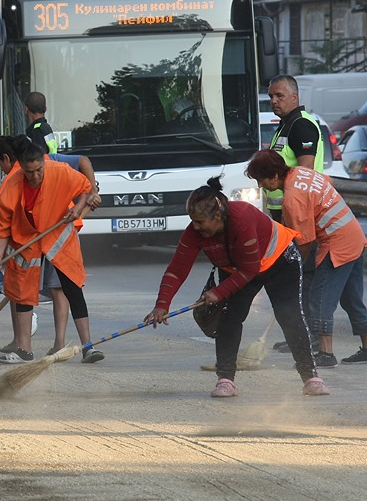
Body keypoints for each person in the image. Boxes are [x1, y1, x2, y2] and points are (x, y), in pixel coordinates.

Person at [144, 176, 329, 397]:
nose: (195, 227)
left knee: (289, 316)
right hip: (237, 269)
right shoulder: (194, 232)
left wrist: (219, 292)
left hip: (279, 261)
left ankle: (311, 377)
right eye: (193, 221)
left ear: (218, 216)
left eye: (200, 222)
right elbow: (176, 270)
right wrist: (162, 304)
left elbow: (249, 270)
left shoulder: (241, 219)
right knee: (230, 318)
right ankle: (225, 380)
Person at [246, 149, 367, 369]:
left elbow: (304, 244)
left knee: (319, 299)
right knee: (351, 299)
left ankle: (325, 354)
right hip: (355, 237)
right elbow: (326, 183)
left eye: (261, 181)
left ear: (274, 176)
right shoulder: (302, 172)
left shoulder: (292, 199)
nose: (261, 186)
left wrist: (292, 268)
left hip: (337, 245)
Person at [0, 138, 101, 364]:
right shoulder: (10, 188)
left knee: (72, 288)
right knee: (22, 292)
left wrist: (78, 208)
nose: (35, 177)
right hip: (26, 242)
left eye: (39, 170)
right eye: (29, 172)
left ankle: (88, 347)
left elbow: (87, 189)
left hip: (59, 238)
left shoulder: (61, 172)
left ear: (44, 164)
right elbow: (3, 229)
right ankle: (24, 350)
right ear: (21, 168)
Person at [265, 74, 325, 223]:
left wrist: (294, 210)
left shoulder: (300, 124)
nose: (273, 101)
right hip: (285, 209)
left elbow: (306, 170)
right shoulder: (287, 124)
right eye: (271, 96)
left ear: (294, 97)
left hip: (295, 210)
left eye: (279, 96)